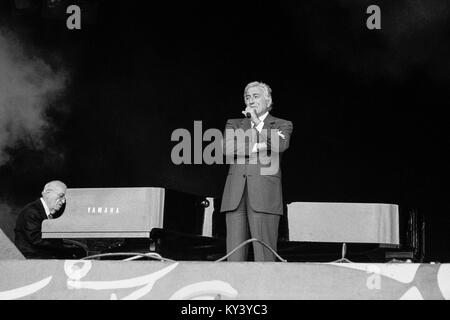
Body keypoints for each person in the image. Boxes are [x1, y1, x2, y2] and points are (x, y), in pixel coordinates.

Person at [220, 81, 293, 261]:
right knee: (234, 258)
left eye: (255, 96)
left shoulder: (282, 124)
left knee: (264, 257)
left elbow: (280, 145)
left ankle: (265, 289)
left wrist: (256, 123)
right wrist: (261, 145)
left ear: (268, 101)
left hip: (265, 195)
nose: (250, 100)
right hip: (235, 196)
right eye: (247, 97)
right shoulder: (234, 123)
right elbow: (227, 148)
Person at [14, 180, 76, 259]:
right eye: (61, 196)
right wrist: (66, 244)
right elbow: (36, 240)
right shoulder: (31, 211)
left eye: (65, 198)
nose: (63, 201)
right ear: (47, 193)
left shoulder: (44, 212)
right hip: (31, 261)